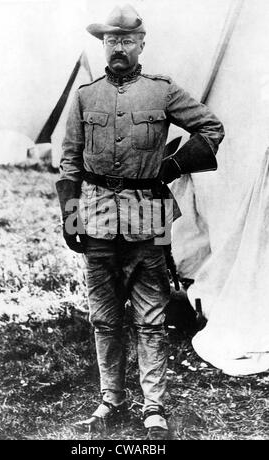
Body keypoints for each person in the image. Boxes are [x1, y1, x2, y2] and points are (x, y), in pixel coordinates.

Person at [56, 4, 224, 440]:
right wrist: (70, 217)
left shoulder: (162, 91)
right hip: (93, 218)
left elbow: (210, 128)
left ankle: (154, 408)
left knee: (151, 318)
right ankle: (110, 399)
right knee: (104, 318)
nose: (118, 48)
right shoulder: (85, 96)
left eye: (127, 41)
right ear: (103, 44)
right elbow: (70, 161)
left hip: (147, 216)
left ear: (141, 44)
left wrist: (170, 165)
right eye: (111, 40)